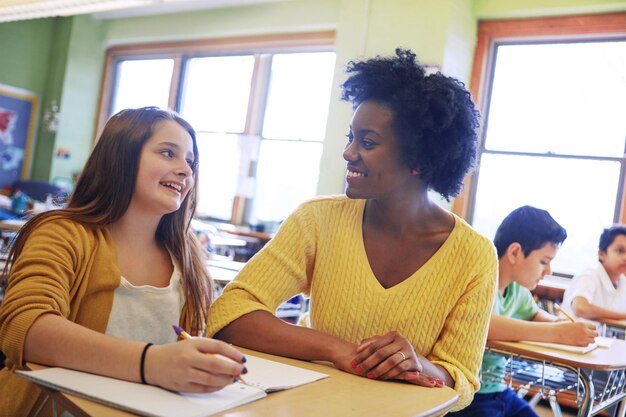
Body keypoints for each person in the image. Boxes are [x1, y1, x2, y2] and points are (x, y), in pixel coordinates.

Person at [206, 48, 498, 411]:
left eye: (368, 142)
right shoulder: (317, 221)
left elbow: (462, 379)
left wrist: (415, 363)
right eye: (351, 137)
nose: (348, 152)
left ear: (420, 159)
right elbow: (229, 312)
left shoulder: (474, 255)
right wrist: (334, 348)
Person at [0, 107, 246, 417]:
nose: (185, 169)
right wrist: (152, 363)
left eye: (190, 161)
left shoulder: (186, 256)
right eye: (168, 153)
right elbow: (25, 329)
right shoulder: (63, 233)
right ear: (121, 157)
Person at [448, 206, 598, 417]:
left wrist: (560, 324)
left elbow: (535, 315)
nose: (548, 271)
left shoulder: (517, 288)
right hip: (468, 395)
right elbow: (485, 326)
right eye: (544, 261)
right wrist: (560, 333)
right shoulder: (481, 279)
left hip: (498, 390)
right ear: (515, 252)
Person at [562, 225, 626, 322]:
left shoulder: (623, 281)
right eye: (620, 251)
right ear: (601, 254)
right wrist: (622, 316)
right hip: (571, 335)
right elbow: (580, 308)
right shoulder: (589, 275)